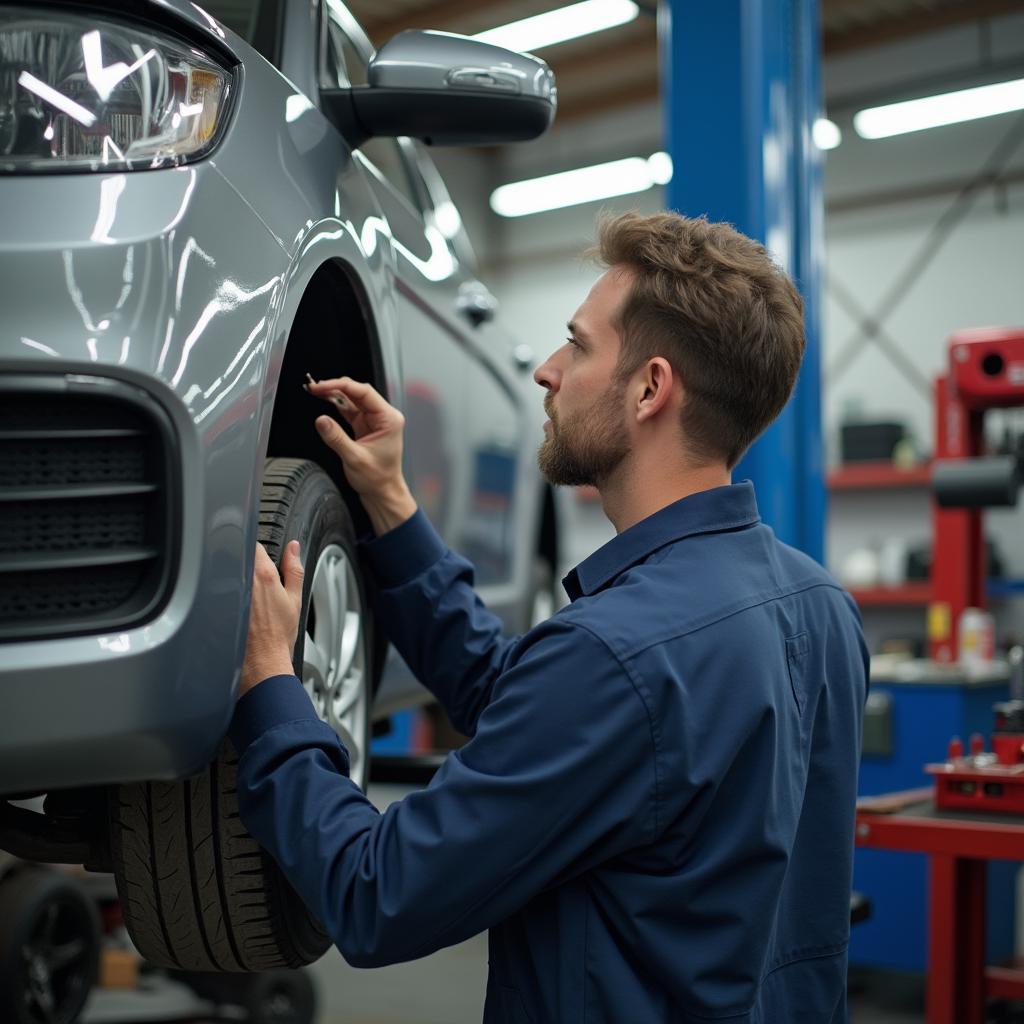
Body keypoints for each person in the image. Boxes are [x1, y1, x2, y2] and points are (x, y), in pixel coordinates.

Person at [233, 212, 868, 1023]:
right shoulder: (822, 607)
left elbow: (376, 891)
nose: (546, 370)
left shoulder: (614, 657)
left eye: (578, 345)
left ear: (650, 389)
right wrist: (392, 506)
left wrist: (272, 693)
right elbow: (532, 714)